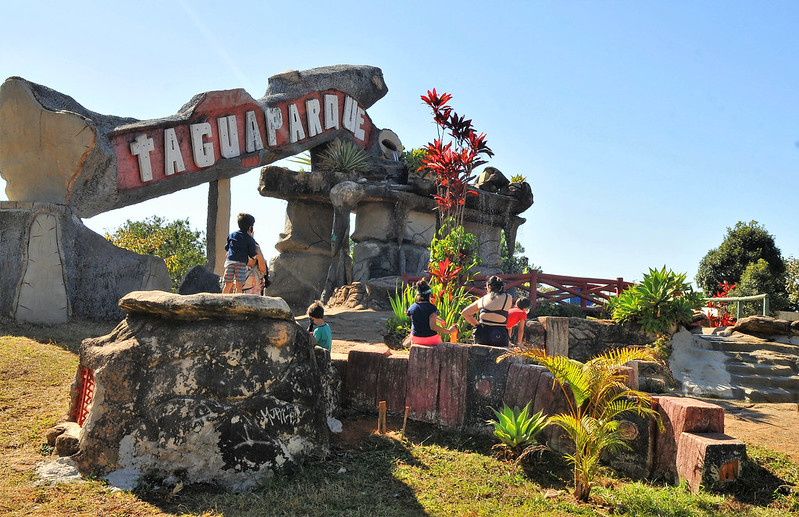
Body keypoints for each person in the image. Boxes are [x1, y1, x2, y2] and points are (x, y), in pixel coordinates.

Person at [461, 276, 514, 347]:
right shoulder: (508, 297)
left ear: (489, 286)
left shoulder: (483, 299)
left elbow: (465, 313)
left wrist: (477, 325)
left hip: (482, 334)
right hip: (499, 335)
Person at [223, 213, 266, 294]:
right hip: (239, 264)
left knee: (228, 284)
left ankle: (222, 298)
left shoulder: (232, 235)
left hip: (231, 263)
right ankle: (236, 298)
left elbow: (262, 268)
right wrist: (251, 243)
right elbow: (252, 257)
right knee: (238, 284)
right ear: (250, 227)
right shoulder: (250, 240)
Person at [406, 279, 457, 346]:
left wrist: (438, 319)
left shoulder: (412, 307)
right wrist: (449, 331)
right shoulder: (432, 308)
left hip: (415, 338)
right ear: (429, 295)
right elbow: (433, 327)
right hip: (430, 338)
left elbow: (414, 315)